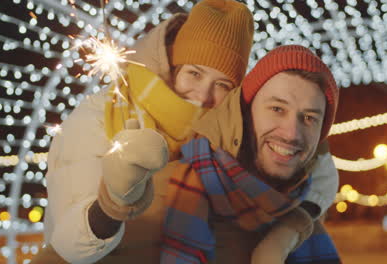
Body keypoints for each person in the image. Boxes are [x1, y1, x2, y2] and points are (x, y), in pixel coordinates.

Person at [32, 2, 338, 264]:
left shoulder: (229, 130)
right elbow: (68, 245)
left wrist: (286, 233)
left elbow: (318, 167)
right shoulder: (103, 115)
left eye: (222, 85)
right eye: (194, 73)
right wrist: (111, 202)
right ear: (172, 66)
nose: (203, 96)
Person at [164, 45, 341, 263]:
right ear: (245, 112)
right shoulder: (163, 192)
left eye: (309, 118)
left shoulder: (306, 223)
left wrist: (288, 233)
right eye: (277, 109)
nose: (291, 134)